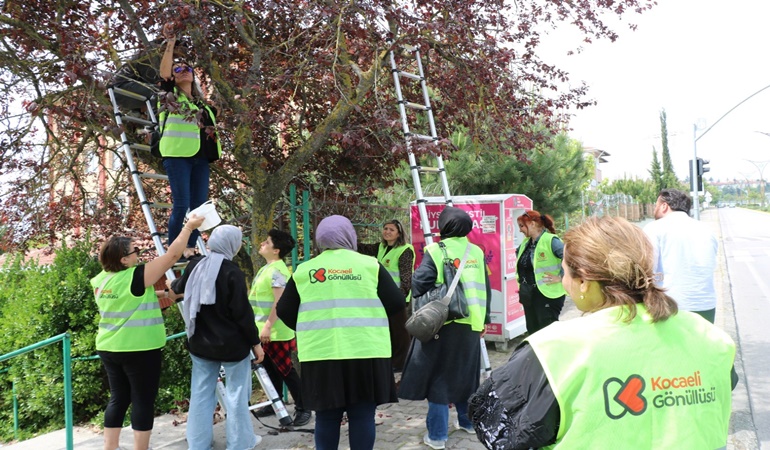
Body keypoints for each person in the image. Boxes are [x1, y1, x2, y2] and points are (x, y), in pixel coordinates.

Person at [468, 216, 737, 450]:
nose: (564, 281)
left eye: (564, 273)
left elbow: (494, 425)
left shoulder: (554, 349)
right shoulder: (710, 337)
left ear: (583, 280)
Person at [276, 215, 406, 450]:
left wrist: (311, 326)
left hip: (321, 353)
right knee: (362, 415)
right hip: (366, 351)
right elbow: (397, 302)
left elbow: (284, 310)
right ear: (350, 236)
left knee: (326, 417)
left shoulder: (305, 270)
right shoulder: (369, 265)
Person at [92, 214, 205, 450]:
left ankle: (109, 448)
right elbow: (172, 256)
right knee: (142, 400)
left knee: (118, 399)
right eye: (136, 252)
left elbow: (126, 300)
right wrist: (189, 227)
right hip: (140, 349)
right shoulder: (136, 275)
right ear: (124, 259)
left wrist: (164, 295)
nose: (139, 255)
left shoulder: (101, 280)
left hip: (109, 348)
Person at [398, 206, 491, 450]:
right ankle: (468, 423)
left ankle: (438, 437)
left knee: (439, 378)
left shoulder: (435, 250)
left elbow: (419, 284)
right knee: (466, 375)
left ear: (445, 226)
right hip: (472, 323)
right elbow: (486, 288)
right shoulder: (477, 252)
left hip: (444, 323)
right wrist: (484, 321)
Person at [168, 225, 264, 450]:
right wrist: (256, 343)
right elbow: (242, 314)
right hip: (232, 346)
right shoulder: (233, 272)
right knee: (236, 396)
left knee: (200, 394)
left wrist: (173, 283)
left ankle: (198, 444)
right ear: (232, 244)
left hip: (200, 343)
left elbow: (178, 287)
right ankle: (240, 443)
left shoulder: (196, 265)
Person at [159, 22, 221, 261]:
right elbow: (164, 73)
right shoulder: (169, 96)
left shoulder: (202, 104)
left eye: (187, 68)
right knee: (181, 203)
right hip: (177, 156)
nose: (182, 71)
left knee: (199, 205)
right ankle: (174, 248)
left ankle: (189, 246)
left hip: (200, 158)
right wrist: (171, 43)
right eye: (178, 70)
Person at [249, 229, 312, 426]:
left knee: (286, 370)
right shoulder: (267, 268)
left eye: (266, 242)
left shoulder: (277, 271)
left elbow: (280, 302)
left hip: (275, 331)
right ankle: (275, 402)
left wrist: (267, 326)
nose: (262, 244)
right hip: (265, 330)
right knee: (270, 369)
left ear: (276, 250)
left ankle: (304, 407)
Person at [644, 188, 719, 322]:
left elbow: (648, 269)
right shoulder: (707, 229)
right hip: (706, 305)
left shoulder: (654, 228)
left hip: (671, 306)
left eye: (656, 205)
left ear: (664, 206)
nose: (654, 210)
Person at [358, 219, 414, 371]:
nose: (387, 232)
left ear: (399, 233)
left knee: (400, 334)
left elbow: (406, 277)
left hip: (397, 299)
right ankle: (390, 362)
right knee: (387, 331)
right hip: (381, 298)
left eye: (391, 230)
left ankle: (402, 364)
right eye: (385, 228)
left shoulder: (405, 250)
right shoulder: (381, 247)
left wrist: (401, 297)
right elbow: (361, 248)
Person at [515, 210, 566, 334]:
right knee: (533, 330)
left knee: (547, 331)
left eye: (522, 226)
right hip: (529, 294)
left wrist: (561, 277)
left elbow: (572, 259)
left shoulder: (551, 241)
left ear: (532, 224)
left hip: (548, 294)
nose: (520, 230)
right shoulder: (525, 244)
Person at [109, 37, 189, 112]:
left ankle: (141, 114)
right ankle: (156, 123)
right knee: (159, 92)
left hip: (129, 89)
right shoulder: (153, 54)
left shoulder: (152, 49)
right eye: (174, 55)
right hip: (119, 88)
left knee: (160, 92)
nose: (173, 59)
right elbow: (159, 83)